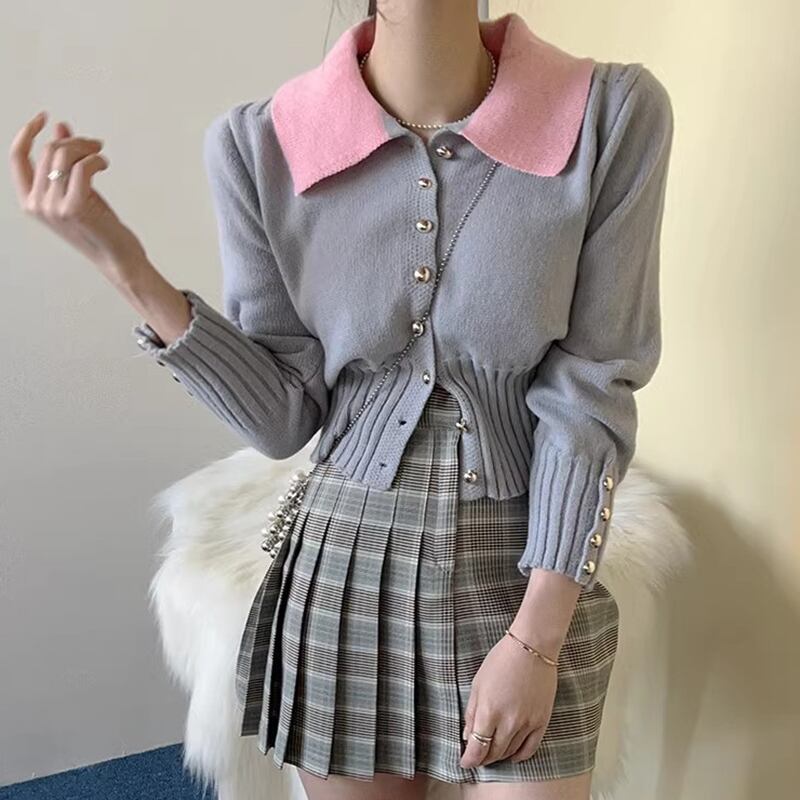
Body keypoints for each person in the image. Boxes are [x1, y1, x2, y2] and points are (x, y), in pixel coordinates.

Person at [9, 0, 674, 797]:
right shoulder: (259, 142)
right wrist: (127, 268)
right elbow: (283, 416)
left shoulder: (608, 114)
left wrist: (536, 638)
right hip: (343, 571)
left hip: (529, 567)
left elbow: (590, 384)